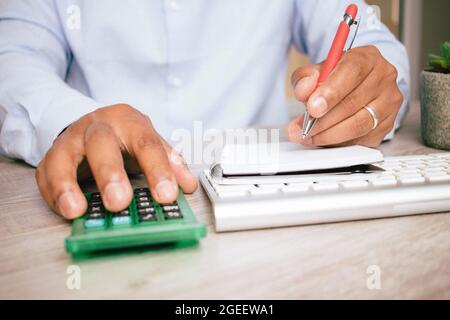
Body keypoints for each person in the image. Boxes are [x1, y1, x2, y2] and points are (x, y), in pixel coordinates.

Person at [0, 0, 409, 219]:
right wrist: (73, 120)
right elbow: (12, 56)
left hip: (264, 206)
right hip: (103, 187)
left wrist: (368, 92)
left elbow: (376, 47)